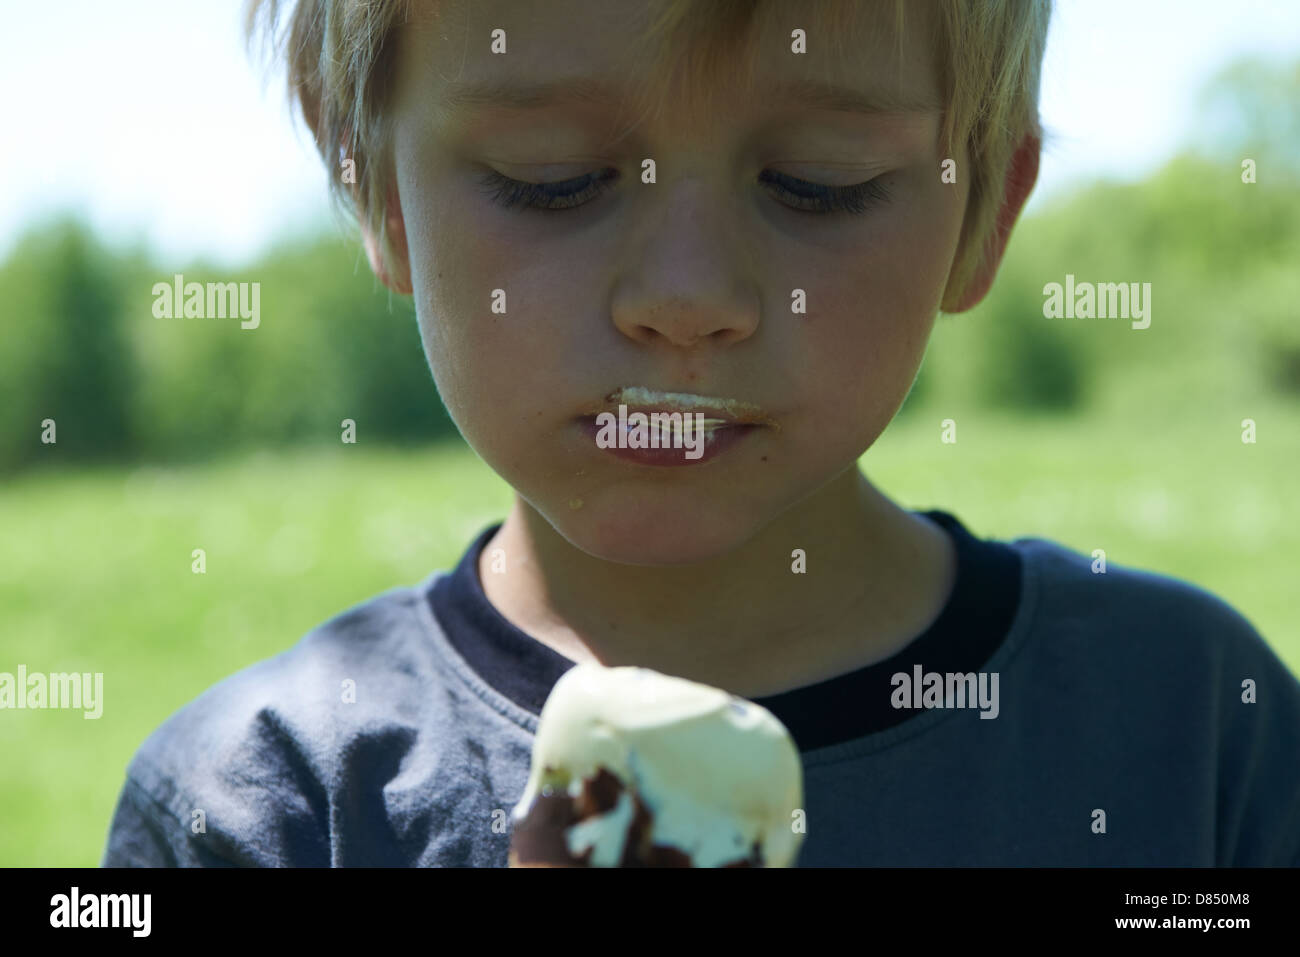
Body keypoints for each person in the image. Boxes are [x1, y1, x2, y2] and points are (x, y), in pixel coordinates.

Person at [101, 0, 1300, 866]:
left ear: (984, 208)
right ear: (366, 176)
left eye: (817, 185)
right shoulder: (263, 806)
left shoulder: (1190, 729)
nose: (686, 298)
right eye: (551, 177)